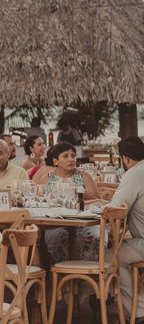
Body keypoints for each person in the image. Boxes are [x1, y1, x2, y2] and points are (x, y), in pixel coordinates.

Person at [36, 142, 101, 262]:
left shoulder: (83, 176)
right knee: (54, 237)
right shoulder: (47, 178)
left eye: (73, 156)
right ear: (56, 161)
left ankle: (86, 275)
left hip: (83, 221)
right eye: (65, 156)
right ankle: (62, 273)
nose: (71, 159)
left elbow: (97, 200)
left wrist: (80, 192)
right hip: (56, 221)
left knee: (93, 236)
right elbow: (38, 201)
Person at [107, 136, 144, 322]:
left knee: (109, 259)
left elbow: (115, 209)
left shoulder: (135, 173)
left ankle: (138, 312)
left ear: (125, 159)